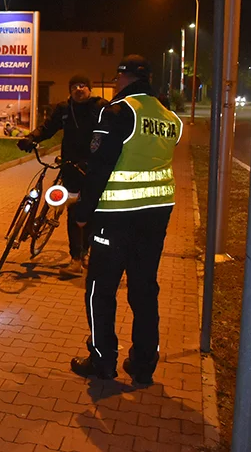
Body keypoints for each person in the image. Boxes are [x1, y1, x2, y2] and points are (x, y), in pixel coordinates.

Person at [70, 55, 183, 385]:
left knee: (99, 289)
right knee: (144, 289)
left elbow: (100, 166)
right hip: (157, 215)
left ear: (124, 77)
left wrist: (82, 214)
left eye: (118, 78)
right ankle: (144, 364)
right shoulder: (168, 117)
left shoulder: (118, 111)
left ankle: (103, 360)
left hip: (117, 217)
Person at [16, 74, 107, 274]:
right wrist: (31, 138)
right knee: (73, 211)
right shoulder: (64, 109)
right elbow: (48, 128)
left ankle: (86, 252)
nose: (79, 89)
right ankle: (76, 259)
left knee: (91, 211)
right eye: (74, 86)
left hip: (93, 168)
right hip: (70, 166)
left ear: (90, 89)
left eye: (83, 85)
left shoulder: (100, 108)